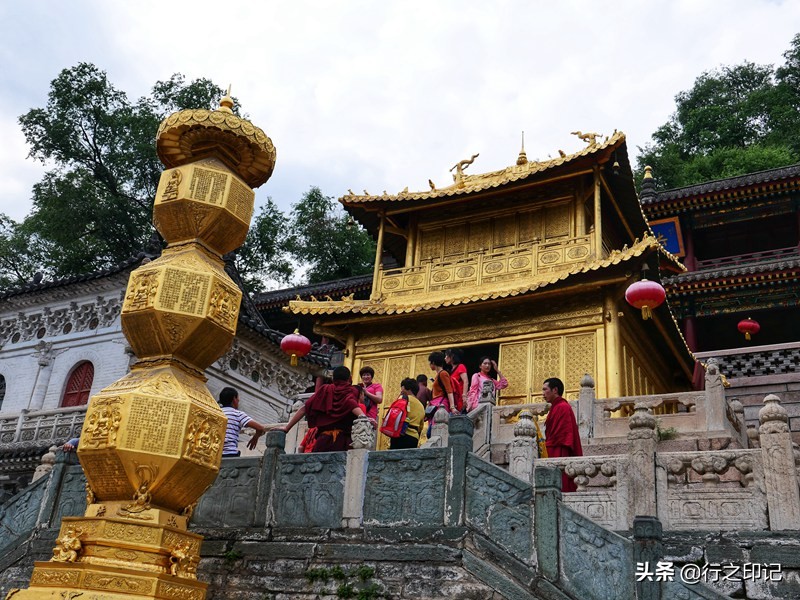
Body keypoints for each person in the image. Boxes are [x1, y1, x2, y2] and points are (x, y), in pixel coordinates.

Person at [282, 366, 369, 452]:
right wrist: (364, 418)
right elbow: (351, 403)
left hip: (323, 441)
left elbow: (304, 409)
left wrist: (287, 428)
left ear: (333, 379)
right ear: (349, 378)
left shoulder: (325, 389)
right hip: (343, 443)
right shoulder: (352, 390)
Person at [542, 377, 583, 493]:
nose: (543, 394)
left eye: (545, 390)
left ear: (555, 390)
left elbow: (563, 437)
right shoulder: (556, 407)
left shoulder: (562, 407)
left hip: (559, 451)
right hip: (553, 448)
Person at [219, 387, 271, 456]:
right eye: (238, 399)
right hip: (230, 454)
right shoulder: (238, 414)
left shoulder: (216, 412)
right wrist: (255, 437)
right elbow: (260, 428)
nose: (238, 401)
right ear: (234, 399)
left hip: (214, 453)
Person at [388, 378, 426, 450]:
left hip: (401, 435)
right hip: (414, 438)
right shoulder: (421, 406)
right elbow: (420, 427)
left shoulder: (403, 399)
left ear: (406, 388)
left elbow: (394, 413)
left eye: (402, 388)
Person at [445, 349, 469, 413]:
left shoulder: (461, 366)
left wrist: (464, 396)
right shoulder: (450, 370)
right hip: (454, 399)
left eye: (446, 356)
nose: (445, 358)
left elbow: (465, 381)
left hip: (460, 398)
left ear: (452, 356)